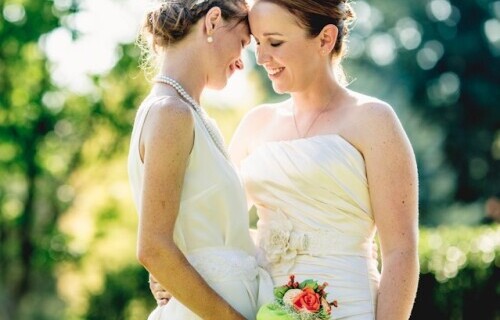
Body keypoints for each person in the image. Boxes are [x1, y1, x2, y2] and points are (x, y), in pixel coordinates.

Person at [152, 0, 420, 319]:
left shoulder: (373, 120)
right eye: (258, 44)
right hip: (260, 307)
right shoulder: (256, 123)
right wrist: (179, 265)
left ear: (324, 39)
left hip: (348, 306)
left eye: (275, 42)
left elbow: (401, 253)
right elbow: (219, 224)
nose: (263, 58)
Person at [128, 0, 273, 319]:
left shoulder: (190, 115)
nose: (241, 63)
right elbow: (153, 248)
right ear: (213, 21)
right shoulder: (171, 113)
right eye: (243, 43)